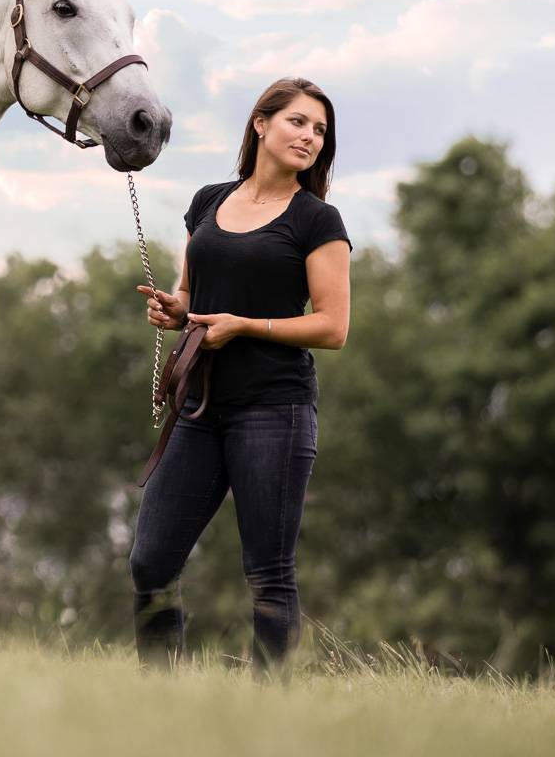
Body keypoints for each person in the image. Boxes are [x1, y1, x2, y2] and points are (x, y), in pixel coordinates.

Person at [131, 76, 351, 674]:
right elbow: (189, 295)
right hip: (199, 410)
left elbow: (333, 327)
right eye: (298, 122)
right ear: (261, 124)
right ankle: (157, 700)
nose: (310, 137)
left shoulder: (317, 220)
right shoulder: (208, 200)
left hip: (274, 412)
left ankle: (267, 714)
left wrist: (247, 325)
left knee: (268, 575)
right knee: (150, 562)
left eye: (320, 130)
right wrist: (176, 311)